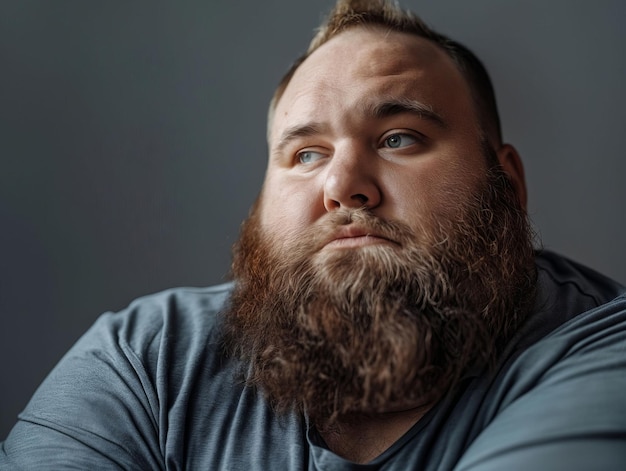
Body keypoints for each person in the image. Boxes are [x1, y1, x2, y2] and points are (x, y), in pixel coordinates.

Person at [2, 0, 625, 469]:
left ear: (507, 181)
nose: (343, 185)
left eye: (398, 138)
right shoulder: (148, 361)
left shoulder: (604, 349)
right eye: (305, 154)